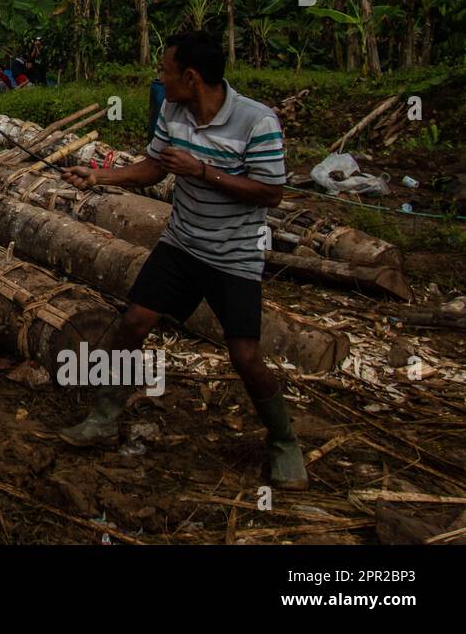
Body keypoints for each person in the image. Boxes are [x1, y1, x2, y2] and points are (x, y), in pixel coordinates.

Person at [58, 30, 306, 490]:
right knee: (133, 322)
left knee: (245, 355)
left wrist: (204, 172)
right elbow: (155, 167)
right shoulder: (173, 110)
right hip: (182, 243)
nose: (160, 77)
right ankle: (105, 415)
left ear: (191, 77)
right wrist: (98, 177)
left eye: (166, 71)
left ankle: (284, 440)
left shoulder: (257, 121)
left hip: (233, 255)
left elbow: (272, 192)